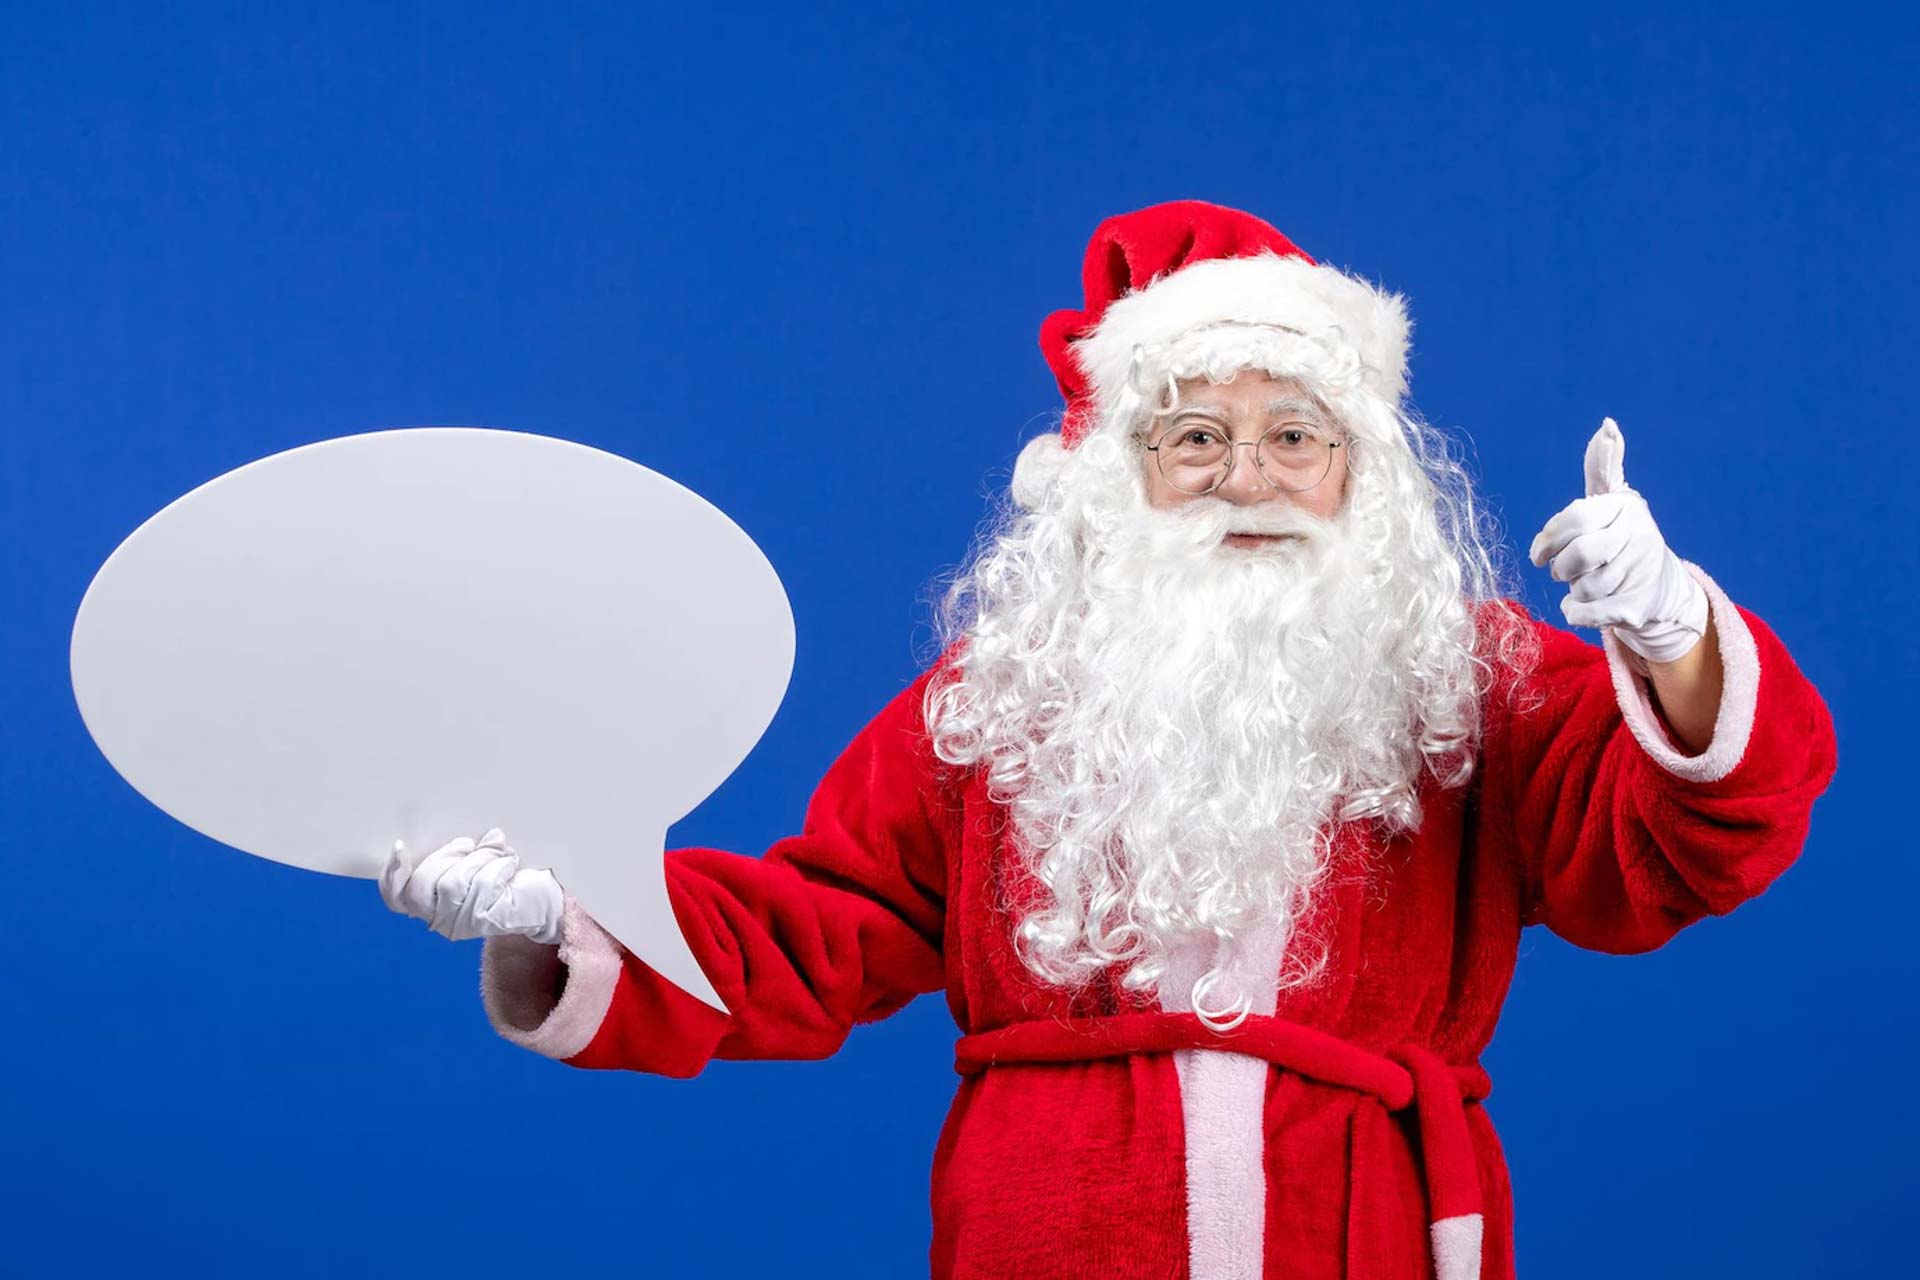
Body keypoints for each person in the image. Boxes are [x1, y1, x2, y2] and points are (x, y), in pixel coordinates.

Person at [378, 199, 1838, 1280]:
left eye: (1293, 435)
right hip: (1050, 1235)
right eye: (1194, 437)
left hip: (1368, 1233)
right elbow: (813, 927)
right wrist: (563, 913)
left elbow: (1681, 845)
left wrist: (1668, 631)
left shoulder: (1471, 681)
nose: (1244, 477)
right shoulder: (1004, 695)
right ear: (1118, 472)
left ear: (1361, 470)